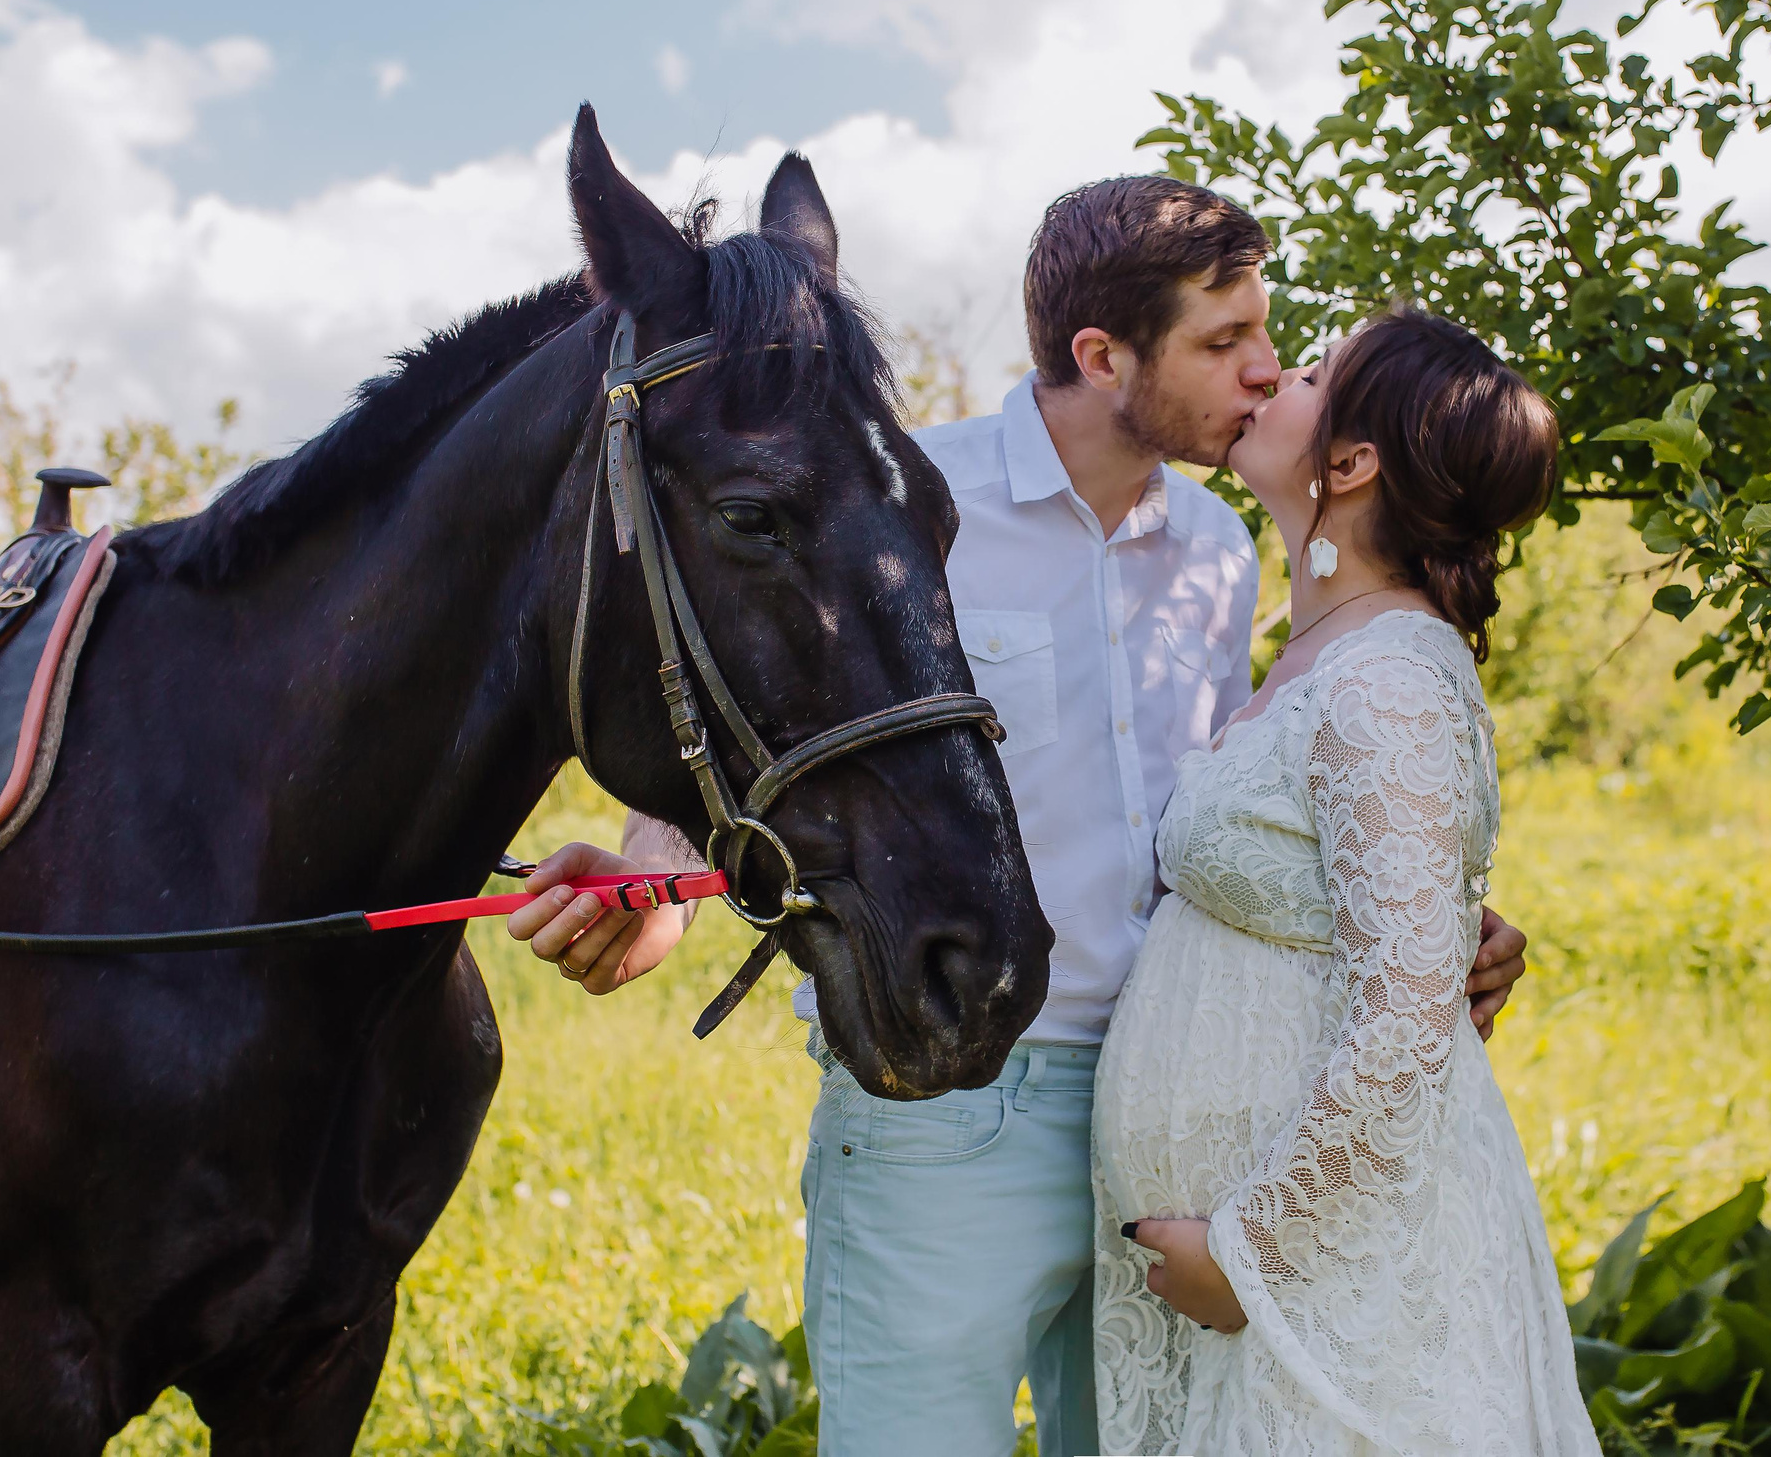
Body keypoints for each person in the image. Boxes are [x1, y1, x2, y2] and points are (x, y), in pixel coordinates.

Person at [505, 181, 1535, 1457]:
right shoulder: (902, 496)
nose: (1265, 374)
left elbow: (1223, 807)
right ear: (1102, 357)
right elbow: (774, 702)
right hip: (954, 1106)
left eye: (1267, 336)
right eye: (1224, 344)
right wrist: (654, 873)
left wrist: (1423, 912)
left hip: (1188, 1125)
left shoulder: (1221, 549)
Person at [1093, 311, 1597, 1456]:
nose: (1271, 374)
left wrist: (1248, 1254)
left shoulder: (1389, 683)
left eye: (1309, 372)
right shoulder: (1320, 652)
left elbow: (1407, 1026)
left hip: (1329, 1282)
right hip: (1264, 1286)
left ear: (1353, 463)